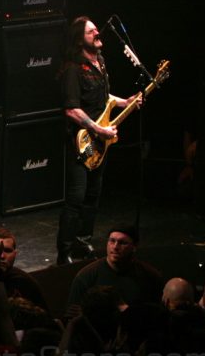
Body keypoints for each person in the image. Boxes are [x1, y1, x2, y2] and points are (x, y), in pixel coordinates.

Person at [56, 16, 142, 265]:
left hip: (100, 143)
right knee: (76, 198)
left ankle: (83, 241)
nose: (97, 32)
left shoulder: (100, 62)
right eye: (91, 31)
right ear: (79, 39)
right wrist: (97, 129)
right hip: (80, 142)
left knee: (93, 195)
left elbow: (104, 98)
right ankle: (65, 252)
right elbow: (71, 109)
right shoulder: (73, 68)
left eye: (96, 29)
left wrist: (125, 102)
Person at [65, 225, 163, 319]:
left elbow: (156, 315)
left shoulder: (149, 276)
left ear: (134, 246)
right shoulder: (86, 277)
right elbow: (73, 318)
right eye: (112, 241)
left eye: (122, 243)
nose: (115, 247)